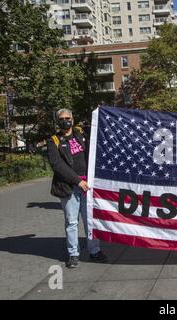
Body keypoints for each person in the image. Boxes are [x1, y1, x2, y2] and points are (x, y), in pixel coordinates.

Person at [48, 108, 107, 268]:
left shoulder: (82, 135)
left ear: (73, 119)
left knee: (90, 221)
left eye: (68, 118)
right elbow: (57, 165)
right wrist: (77, 181)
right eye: (62, 119)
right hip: (69, 188)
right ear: (57, 121)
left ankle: (94, 250)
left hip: (88, 186)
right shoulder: (54, 141)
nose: (65, 121)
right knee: (71, 222)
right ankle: (73, 254)